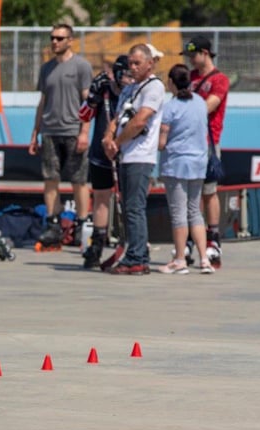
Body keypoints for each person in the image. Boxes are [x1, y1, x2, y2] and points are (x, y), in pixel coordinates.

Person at [102, 44, 165, 275]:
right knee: (128, 207)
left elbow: (140, 121)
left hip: (141, 155)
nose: (133, 68)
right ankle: (136, 251)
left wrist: (117, 143)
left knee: (135, 208)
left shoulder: (154, 87)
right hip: (125, 155)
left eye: (138, 63)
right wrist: (108, 138)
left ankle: (137, 257)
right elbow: (117, 117)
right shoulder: (129, 89)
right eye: (131, 64)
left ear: (150, 63)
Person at [29, 23, 93, 250]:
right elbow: (43, 102)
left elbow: (89, 102)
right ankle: (54, 224)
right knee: (50, 179)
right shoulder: (46, 68)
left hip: (73, 131)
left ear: (70, 40)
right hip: (50, 131)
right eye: (52, 37)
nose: (54, 42)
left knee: (79, 180)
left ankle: (81, 225)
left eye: (59, 38)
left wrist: (84, 132)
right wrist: (35, 132)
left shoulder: (81, 66)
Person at [157, 64, 213, 275]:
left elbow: (162, 142)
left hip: (177, 165)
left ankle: (180, 259)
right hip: (198, 163)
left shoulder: (170, 108)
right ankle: (204, 259)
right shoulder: (200, 102)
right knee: (195, 212)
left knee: (179, 213)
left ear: (171, 83)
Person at [79, 54, 132, 269]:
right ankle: (97, 245)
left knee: (129, 200)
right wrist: (92, 96)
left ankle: (133, 242)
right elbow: (83, 115)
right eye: (125, 74)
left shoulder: (135, 92)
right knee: (101, 198)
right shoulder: (105, 90)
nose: (128, 78)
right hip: (101, 155)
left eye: (131, 73)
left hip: (126, 154)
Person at [183, 35, 229, 268]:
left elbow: (208, 106)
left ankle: (213, 239)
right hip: (187, 142)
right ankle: (191, 238)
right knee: (190, 192)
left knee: (209, 192)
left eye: (193, 55)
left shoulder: (220, 80)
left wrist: (184, 106)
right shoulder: (190, 78)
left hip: (208, 142)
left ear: (205, 53)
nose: (190, 60)